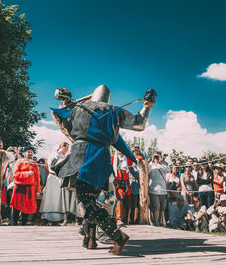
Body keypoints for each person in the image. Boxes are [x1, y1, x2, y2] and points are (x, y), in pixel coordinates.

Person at [52, 85, 155, 255]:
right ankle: (90, 239)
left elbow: (61, 117)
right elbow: (139, 124)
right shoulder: (112, 110)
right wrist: (147, 106)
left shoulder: (77, 109)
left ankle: (117, 236)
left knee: (86, 202)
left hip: (82, 155)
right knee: (90, 199)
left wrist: (65, 101)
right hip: (101, 157)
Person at [39, 142, 69, 224]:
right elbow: (54, 164)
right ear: (61, 147)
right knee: (51, 198)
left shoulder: (63, 155)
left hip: (59, 179)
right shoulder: (54, 154)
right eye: (66, 148)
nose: (67, 150)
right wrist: (66, 158)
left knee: (58, 199)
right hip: (53, 178)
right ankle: (46, 218)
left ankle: (57, 219)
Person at [10, 146, 40, 226]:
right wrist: (26, 173)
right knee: (16, 206)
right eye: (28, 151)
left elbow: (37, 178)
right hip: (19, 187)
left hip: (30, 188)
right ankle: (14, 224)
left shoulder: (34, 164)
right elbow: (15, 174)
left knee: (27, 207)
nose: (30, 153)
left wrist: (38, 191)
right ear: (24, 153)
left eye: (31, 152)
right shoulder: (20, 162)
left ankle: (23, 224)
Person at [149, 151, 169, 227]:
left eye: (158, 156)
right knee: (156, 206)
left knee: (162, 208)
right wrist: (152, 160)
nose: (157, 158)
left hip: (163, 190)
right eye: (155, 156)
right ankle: (156, 222)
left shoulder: (163, 165)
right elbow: (147, 170)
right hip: (153, 190)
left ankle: (160, 221)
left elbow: (168, 170)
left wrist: (161, 162)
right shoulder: (151, 165)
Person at [112, 151, 132, 225]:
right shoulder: (113, 157)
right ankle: (118, 219)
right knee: (119, 199)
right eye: (118, 150)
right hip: (117, 182)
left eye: (121, 150)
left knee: (127, 201)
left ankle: (126, 219)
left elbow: (136, 159)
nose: (120, 152)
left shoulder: (127, 159)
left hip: (126, 183)